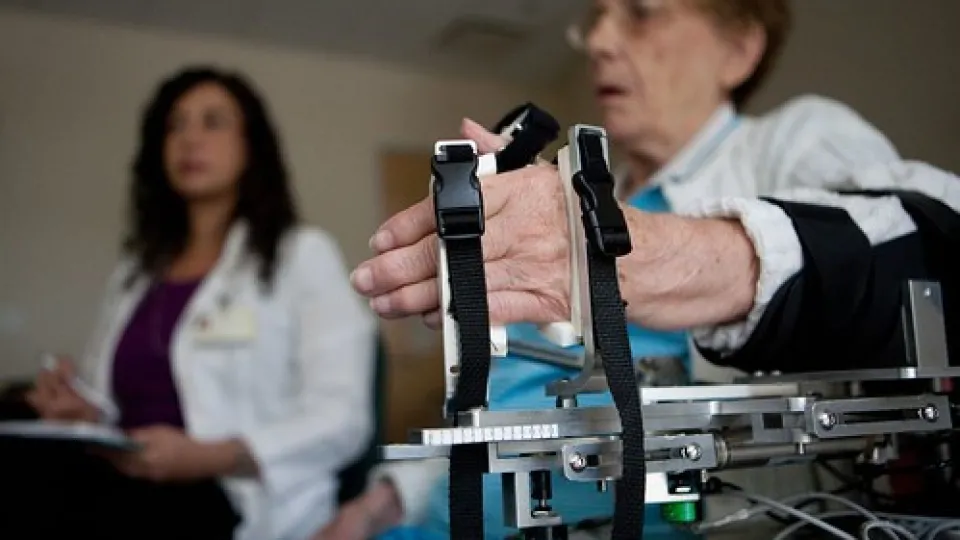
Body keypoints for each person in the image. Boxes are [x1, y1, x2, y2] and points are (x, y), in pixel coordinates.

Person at [317, 0, 934, 538]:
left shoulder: (794, 139)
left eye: (642, 10)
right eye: (597, 20)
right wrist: (377, 505)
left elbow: (927, 238)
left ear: (739, 48)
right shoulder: (567, 197)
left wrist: (640, 256)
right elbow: (500, 399)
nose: (601, 43)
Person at [13, 66, 376, 540]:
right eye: (175, 125)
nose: (189, 139)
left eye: (213, 122)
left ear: (252, 145)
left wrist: (211, 456)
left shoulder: (301, 254)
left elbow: (342, 419)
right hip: (124, 481)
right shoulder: (134, 272)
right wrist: (88, 417)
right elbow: (118, 407)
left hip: (234, 497)